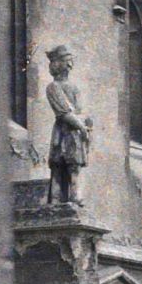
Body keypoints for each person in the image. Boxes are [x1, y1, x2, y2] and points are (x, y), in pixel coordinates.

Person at [46, 45, 93, 206]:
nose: (70, 65)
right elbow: (63, 111)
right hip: (64, 130)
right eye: (66, 61)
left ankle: (75, 196)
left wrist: (87, 123)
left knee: (75, 164)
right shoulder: (53, 87)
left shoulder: (74, 87)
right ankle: (56, 197)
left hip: (76, 131)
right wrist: (80, 126)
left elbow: (80, 109)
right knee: (59, 164)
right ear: (58, 64)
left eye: (70, 61)